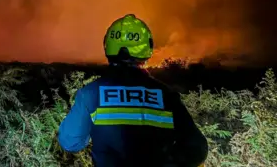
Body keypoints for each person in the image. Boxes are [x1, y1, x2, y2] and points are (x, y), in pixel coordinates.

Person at [57, 14, 208, 167]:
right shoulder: (167, 95)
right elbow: (197, 148)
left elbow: (70, 142)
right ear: (146, 48)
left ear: (107, 46)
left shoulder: (90, 94)